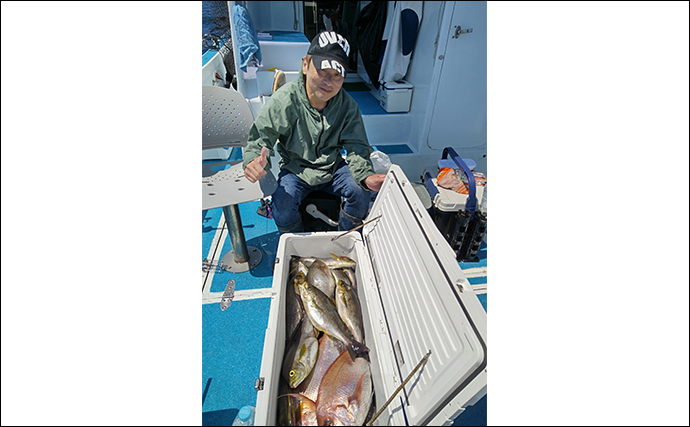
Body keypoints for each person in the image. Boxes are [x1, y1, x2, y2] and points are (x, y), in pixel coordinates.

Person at [243, 31, 386, 234]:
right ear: (305, 65)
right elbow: (261, 138)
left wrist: (365, 176)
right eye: (322, 71)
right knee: (282, 203)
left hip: (333, 168)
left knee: (360, 191)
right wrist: (254, 160)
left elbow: (357, 147)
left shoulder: (348, 106)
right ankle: (297, 244)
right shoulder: (284, 100)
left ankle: (345, 238)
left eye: (337, 75)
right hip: (296, 169)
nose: (329, 81)